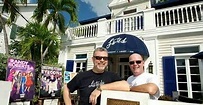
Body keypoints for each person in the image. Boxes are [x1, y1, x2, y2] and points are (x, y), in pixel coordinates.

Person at [63, 47, 130, 105]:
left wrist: (100, 88)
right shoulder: (82, 76)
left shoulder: (112, 76)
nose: (102, 60)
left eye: (105, 58)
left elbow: (126, 86)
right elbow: (67, 88)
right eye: (98, 58)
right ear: (93, 59)